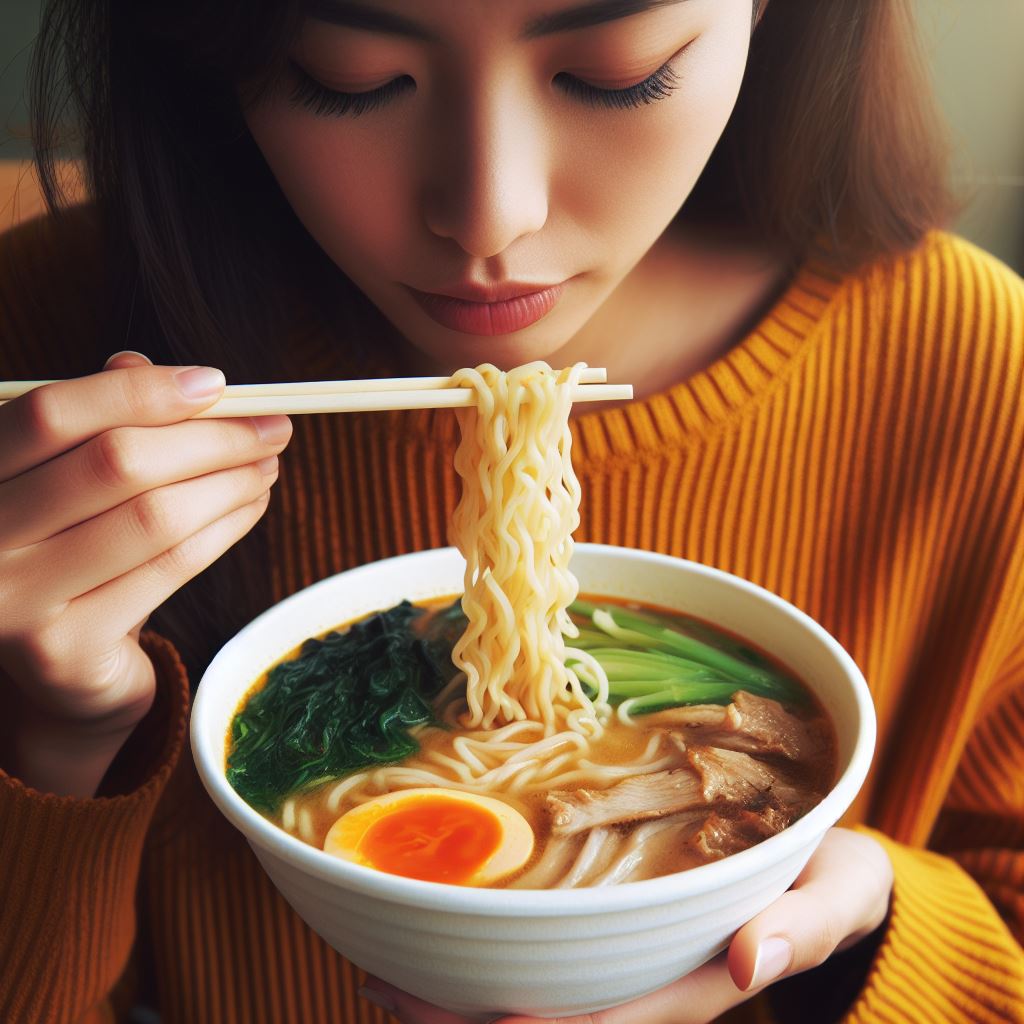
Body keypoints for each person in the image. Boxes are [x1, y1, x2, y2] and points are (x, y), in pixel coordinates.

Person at [0, 0, 1021, 1021]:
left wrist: (862, 943)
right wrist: (55, 734)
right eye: (348, 76)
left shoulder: (977, 374)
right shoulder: (56, 374)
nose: (492, 214)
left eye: (620, 71)